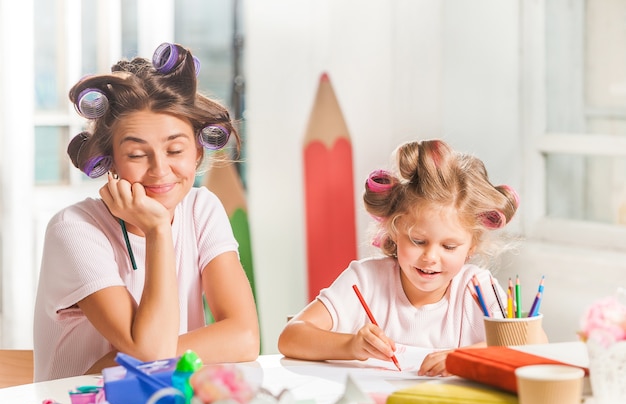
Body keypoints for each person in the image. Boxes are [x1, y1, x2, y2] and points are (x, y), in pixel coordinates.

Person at [33, 42, 259, 381]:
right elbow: (150, 350)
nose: (160, 170)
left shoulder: (202, 208)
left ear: (197, 152)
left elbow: (244, 337)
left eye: (175, 149)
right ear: (110, 161)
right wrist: (157, 230)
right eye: (138, 155)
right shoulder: (74, 229)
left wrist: (116, 363)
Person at [278, 139, 538, 376]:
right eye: (418, 241)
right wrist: (352, 344)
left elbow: (535, 343)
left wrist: (465, 358)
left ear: (471, 246)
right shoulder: (366, 280)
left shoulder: (477, 287)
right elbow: (291, 337)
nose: (430, 257)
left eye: (449, 247)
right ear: (395, 230)